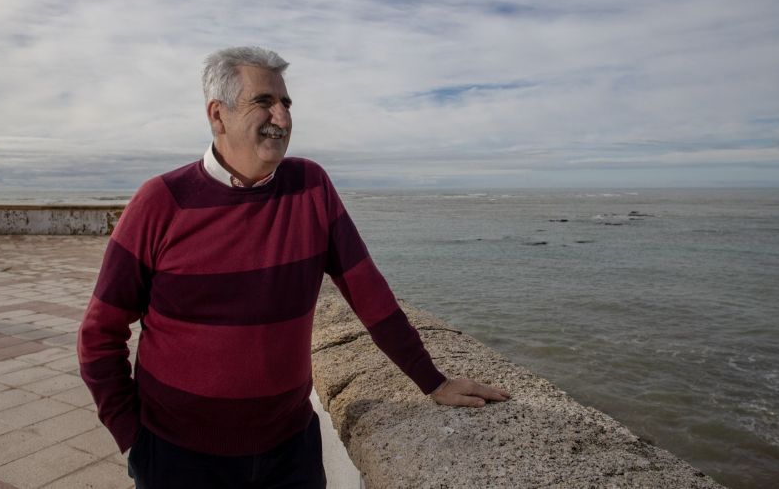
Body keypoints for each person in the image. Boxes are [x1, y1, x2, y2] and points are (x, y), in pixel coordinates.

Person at [77, 46, 510, 488]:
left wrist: (432, 381)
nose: (282, 118)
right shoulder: (161, 201)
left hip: (290, 453)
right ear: (217, 115)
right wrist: (132, 439)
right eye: (264, 102)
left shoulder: (311, 187)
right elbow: (99, 333)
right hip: (178, 457)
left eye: (286, 104)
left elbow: (370, 295)